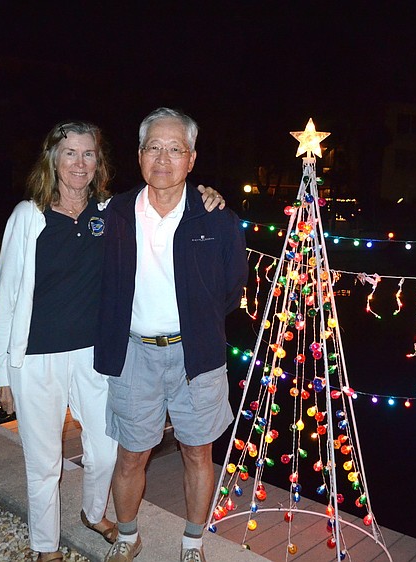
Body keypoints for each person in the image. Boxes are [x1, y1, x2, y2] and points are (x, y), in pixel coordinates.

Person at [0, 120, 226, 562]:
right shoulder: (29, 215)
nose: (79, 163)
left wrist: (204, 194)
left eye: (89, 154)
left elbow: (169, 196)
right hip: (36, 360)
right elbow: (8, 294)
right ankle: (45, 547)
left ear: (100, 162)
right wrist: (1, 369)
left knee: (105, 450)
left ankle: (92, 512)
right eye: (70, 153)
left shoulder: (109, 212)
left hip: (95, 354)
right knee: (44, 463)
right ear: (53, 159)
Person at [94, 108, 248, 562]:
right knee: (131, 455)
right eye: (153, 148)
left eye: (175, 149)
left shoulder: (217, 219)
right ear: (140, 155)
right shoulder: (113, 214)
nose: (164, 158)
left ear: (192, 159)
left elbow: (231, 289)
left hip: (196, 357)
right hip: (132, 355)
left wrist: (197, 326)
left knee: (198, 453)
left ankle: (193, 542)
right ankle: (127, 536)